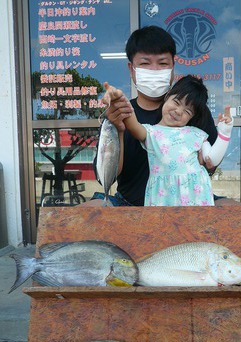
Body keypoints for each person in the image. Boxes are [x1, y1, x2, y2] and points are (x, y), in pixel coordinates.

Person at [91, 25, 220, 206]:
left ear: (173, 67)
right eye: (145, 63)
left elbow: (212, 163)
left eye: (162, 63)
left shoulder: (196, 111)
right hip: (128, 204)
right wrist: (118, 130)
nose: (154, 70)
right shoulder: (120, 112)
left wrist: (208, 158)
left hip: (187, 201)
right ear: (131, 68)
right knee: (87, 211)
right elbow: (107, 177)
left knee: (235, 210)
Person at [120, 75, 233, 206]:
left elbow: (212, 159)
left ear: (192, 117)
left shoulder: (196, 134)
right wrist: (121, 101)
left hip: (196, 199)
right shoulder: (151, 132)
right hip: (163, 198)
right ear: (167, 96)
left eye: (187, 111)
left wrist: (225, 133)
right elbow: (133, 125)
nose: (178, 111)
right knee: (162, 226)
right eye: (176, 102)